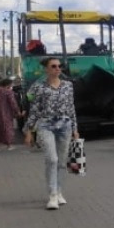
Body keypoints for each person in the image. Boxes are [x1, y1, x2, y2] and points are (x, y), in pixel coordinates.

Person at [23, 57, 80, 211]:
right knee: (52, 159)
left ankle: (59, 191)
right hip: (45, 125)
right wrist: (28, 130)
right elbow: (34, 109)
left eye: (59, 66)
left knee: (62, 162)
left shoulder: (68, 86)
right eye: (53, 66)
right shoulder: (38, 87)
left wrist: (75, 129)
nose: (57, 69)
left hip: (65, 125)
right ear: (46, 69)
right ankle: (52, 195)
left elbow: (71, 107)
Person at [0, 78, 24, 152]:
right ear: (8, 84)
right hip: (5, 113)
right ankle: (9, 146)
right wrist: (17, 111)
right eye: (11, 84)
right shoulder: (8, 92)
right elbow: (13, 103)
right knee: (7, 128)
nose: (11, 85)